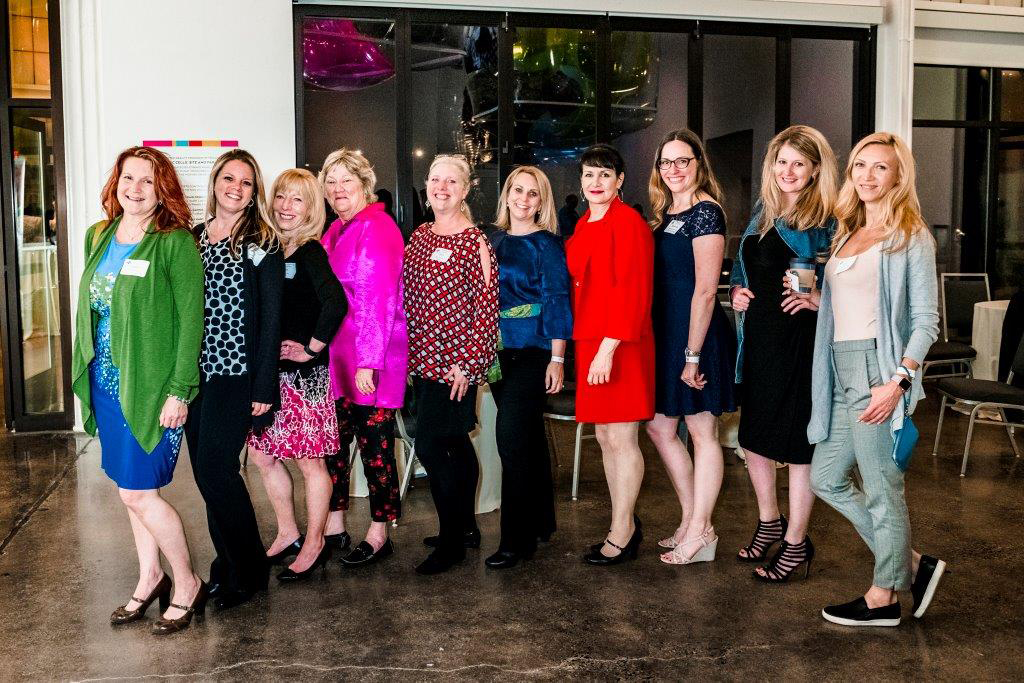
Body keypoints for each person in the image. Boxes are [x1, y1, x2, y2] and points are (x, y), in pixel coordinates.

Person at [802, 132, 947, 626]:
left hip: (878, 372)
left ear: (898, 176)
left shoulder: (911, 237)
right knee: (824, 477)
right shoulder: (847, 232)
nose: (866, 175)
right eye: (860, 165)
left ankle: (883, 597)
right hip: (840, 369)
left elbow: (926, 320)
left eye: (880, 167)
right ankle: (908, 563)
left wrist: (899, 382)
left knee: (883, 488)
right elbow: (857, 306)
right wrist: (819, 303)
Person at [71, 146, 207, 634]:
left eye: (146, 181)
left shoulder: (174, 242)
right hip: (105, 380)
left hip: (151, 385)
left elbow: (193, 321)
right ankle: (150, 576)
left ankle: (186, 581)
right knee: (131, 490)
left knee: (138, 493)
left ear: (162, 189)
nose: (135, 188)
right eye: (128, 178)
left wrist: (179, 389)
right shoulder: (99, 234)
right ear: (117, 183)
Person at [729, 126, 838, 581]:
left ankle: (795, 542)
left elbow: (849, 279)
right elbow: (745, 269)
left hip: (799, 343)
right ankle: (768, 521)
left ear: (815, 169)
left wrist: (819, 300)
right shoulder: (764, 212)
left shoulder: (829, 219)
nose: (787, 171)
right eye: (781, 162)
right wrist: (736, 292)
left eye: (798, 163)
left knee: (795, 445)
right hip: (758, 340)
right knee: (753, 438)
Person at [186, 149, 284, 612]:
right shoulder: (193, 239)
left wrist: (264, 386)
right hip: (194, 376)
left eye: (246, 182)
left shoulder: (262, 241)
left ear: (254, 192)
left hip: (235, 374)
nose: (236, 188)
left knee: (216, 472)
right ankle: (226, 565)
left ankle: (249, 569)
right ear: (215, 182)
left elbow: (270, 321)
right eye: (229, 178)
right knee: (208, 479)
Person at [247, 169, 347, 582]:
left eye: (298, 200)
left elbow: (335, 303)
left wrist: (312, 348)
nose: (286, 207)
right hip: (271, 377)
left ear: (311, 209)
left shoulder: (308, 251)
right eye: (282, 198)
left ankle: (315, 541)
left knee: (310, 463)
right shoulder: (272, 249)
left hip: (304, 379)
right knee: (261, 455)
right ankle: (289, 531)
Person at [643, 129, 736, 566]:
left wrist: (692, 354)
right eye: (667, 162)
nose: (675, 169)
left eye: (683, 161)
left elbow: (704, 290)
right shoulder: (666, 214)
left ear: (699, 164)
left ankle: (702, 530)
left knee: (701, 431)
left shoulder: (706, 213)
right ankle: (690, 518)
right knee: (661, 429)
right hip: (666, 336)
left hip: (696, 337)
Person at [403, 154, 498, 575]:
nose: (441, 187)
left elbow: (486, 310)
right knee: (456, 444)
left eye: (451, 181)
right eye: (435, 180)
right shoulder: (420, 236)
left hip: (455, 367)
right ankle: (466, 528)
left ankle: (451, 541)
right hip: (421, 361)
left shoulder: (474, 240)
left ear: (465, 189)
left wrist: (469, 365)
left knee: (430, 446)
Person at [566, 144, 655, 566]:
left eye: (604, 175)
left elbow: (633, 290)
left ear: (620, 181)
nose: (595, 183)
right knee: (604, 436)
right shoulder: (584, 223)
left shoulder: (629, 223)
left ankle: (622, 531)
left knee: (622, 437)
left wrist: (608, 349)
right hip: (590, 342)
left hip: (619, 345)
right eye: (588, 175)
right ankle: (624, 522)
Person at [319, 149, 407, 567]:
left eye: (346, 182)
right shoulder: (337, 229)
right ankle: (334, 525)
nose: (338, 190)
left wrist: (369, 361)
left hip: (371, 358)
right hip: (338, 357)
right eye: (331, 182)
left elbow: (377, 300)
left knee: (375, 450)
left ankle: (378, 532)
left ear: (364, 185)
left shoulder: (377, 228)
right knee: (335, 447)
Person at [485, 166, 572, 569]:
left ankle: (515, 540)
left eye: (532, 193)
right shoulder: (491, 240)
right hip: (498, 352)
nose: (523, 199)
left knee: (511, 440)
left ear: (542, 201)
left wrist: (557, 357)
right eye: (517, 190)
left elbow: (557, 300)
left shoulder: (548, 245)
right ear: (506, 194)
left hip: (534, 350)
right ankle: (541, 522)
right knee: (529, 438)